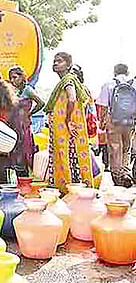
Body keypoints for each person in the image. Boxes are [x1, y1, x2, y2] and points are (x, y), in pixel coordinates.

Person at [44, 52, 94, 193]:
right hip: (64, 128)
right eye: (54, 61)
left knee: (68, 155)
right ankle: (71, 188)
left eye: (59, 61)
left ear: (68, 65)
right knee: (69, 155)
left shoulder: (68, 80)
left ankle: (70, 189)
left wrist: (67, 120)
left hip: (66, 128)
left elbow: (72, 99)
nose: (55, 63)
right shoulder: (65, 81)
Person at [95, 63, 135, 187]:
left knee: (115, 148)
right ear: (127, 72)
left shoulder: (109, 84)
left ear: (114, 72)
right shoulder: (133, 84)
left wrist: (102, 121)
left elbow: (102, 106)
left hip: (114, 120)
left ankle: (118, 177)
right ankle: (126, 173)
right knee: (126, 149)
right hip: (130, 120)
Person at [8, 66, 45, 174]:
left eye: (15, 77)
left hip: (24, 125)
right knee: (16, 149)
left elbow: (41, 103)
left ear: (22, 77)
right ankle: (18, 174)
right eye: (11, 78)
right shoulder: (16, 91)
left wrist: (30, 113)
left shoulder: (28, 90)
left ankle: (24, 173)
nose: (12, 80)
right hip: (15, 125)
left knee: (24, 148)